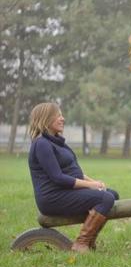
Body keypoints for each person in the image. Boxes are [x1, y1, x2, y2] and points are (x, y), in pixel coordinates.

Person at [28, 102, 119, 253]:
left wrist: (94, 182)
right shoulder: (42, 144)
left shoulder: (57, 142)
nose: (62, 119)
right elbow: (58, 178)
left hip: (65, 192)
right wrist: (90, 186)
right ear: (46, 119)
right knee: (105, 199)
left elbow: (73, 172)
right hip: (52, 197)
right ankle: (81, 243)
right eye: (58, 116)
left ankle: (89, 241)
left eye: (62, 115)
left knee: (112, 194)